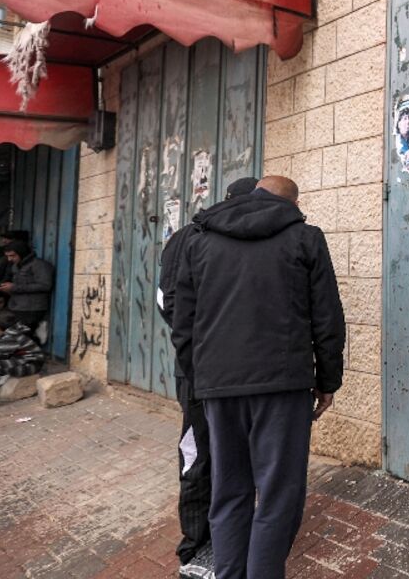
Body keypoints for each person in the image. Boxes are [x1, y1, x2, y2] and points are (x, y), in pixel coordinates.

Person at [171, 175, 345, 579]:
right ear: (293, 203)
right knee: (278, 495)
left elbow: (184, 324)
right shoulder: (304, 237)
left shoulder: (198, 240)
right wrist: (328, 380)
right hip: (283, 387)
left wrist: (201, 380)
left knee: (228, 491)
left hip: (219, 386)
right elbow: (327, 317)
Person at [157, 176, 259, 577]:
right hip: (217, 370)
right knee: (203, 451)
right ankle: (198, 546)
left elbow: (168, 304)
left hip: (202, 368)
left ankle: (213, 540)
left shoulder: (187, 237)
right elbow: (173, 304)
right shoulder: (195, 238)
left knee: (208, 451)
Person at [0, 240, 54, 332]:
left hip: (31, 309)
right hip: (16, 307)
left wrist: (14, 287)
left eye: (12, 255)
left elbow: (45, 285)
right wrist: (7, 289)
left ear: (22, 253)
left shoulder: (39, 265)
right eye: (7, 256)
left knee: (22, 337)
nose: (9, 259)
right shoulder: (16, 266)